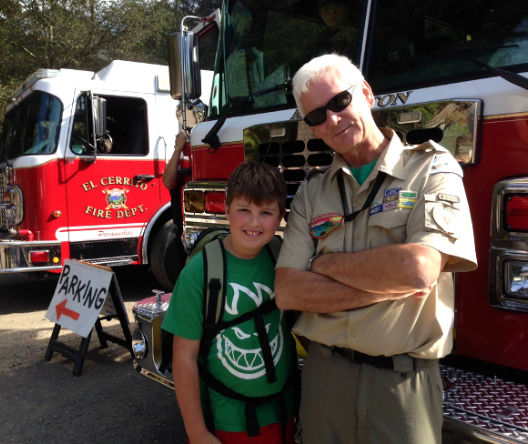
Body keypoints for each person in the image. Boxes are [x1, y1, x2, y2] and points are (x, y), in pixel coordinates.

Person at [275, 54, 477, 444]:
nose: (332, 120)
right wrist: (389, 284)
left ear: (366, 93)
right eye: (316, 116)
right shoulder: (311, 191)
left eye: (339, 102)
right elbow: (288, 291)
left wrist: (324, 263)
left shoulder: (433, 169)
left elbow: (418, 270)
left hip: (402, 385)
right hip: (324, 379)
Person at [162, 161, 296, 444]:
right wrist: (197, 433)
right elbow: (183, 357)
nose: (254, 223)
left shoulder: (283, 259)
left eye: (266, 212)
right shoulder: (200, 271)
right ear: (226, 208)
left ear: (281, 216)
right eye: (244, 210)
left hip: (282, 415)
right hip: (227, 421)